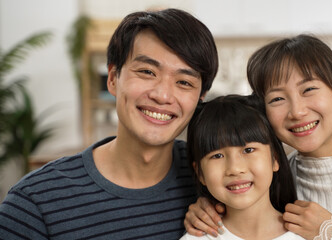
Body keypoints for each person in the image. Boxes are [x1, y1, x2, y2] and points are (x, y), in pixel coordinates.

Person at [0, 8, 218, 239]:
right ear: (113, 79)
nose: (163, 96)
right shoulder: (34, 203)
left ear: (200, 97)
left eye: (184, 82)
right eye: (147, 71)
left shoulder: (219, 178)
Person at [184, 35, 332, 239]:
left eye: (309, 89)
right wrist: (210, 209)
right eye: (277, 98)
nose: (297, 111)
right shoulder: (267, 181)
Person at [181, 94, 303, 240]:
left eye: (248, 150)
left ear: (275, 159)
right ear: (199, 173)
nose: (234, 169)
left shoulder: (311, 234)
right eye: (217, 156)